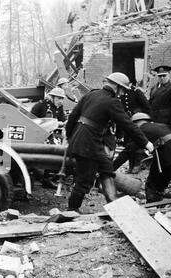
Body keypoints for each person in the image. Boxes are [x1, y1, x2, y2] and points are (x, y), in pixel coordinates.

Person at [65, 72, 154, 212]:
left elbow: (73, 117)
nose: (122, 94)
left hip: (86, 141)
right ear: (117, 87)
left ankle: (114, 204)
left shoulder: (90, 94)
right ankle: (72, 209)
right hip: (89, 144)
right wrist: (146, 143)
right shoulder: (112, 102)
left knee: (107, 168)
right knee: (85, 179)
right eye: (123, 90)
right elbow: (128, 125)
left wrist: (70, 137)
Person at [132, 113, 171, 203]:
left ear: (136, 123)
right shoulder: (160, 125)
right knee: (165, 175)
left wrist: (112, 168)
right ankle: (163, 192)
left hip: (168, 154)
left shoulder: (140, 130)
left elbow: (129, 150)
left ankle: (153, 204)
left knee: (152, 183)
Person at [113, 84, 151, 173]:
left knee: (138, 144)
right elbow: (120, 112)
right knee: (128, 145)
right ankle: (131, 166)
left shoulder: (136, 92)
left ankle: (137, 166)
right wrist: (119, 132)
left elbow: (146, 106)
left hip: (138, 121)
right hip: (127, 122)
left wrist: (149, 120)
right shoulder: (119, 94)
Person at [149, 65, 171, 135]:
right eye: (160, 76)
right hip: (155, 122)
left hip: (167, 124)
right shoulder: (153, 89)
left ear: (168, 75)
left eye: (164, 75)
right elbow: (150, 105)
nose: (162, 78)